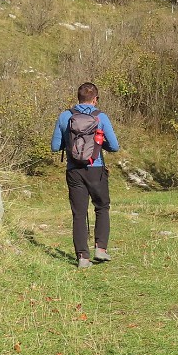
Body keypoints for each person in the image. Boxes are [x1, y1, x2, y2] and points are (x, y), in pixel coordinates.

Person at [51, 82, 119, 269]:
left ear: (78, 98)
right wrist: (98, 144)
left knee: (79, 214)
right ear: (95, 99)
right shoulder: (101, 117)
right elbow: (114, 146)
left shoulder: (65, 116)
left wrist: (71, 144)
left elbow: (55, 147)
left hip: (74, 171)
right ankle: (101, 248)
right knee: (102, 207)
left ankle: (82, 257)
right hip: (96, 169)